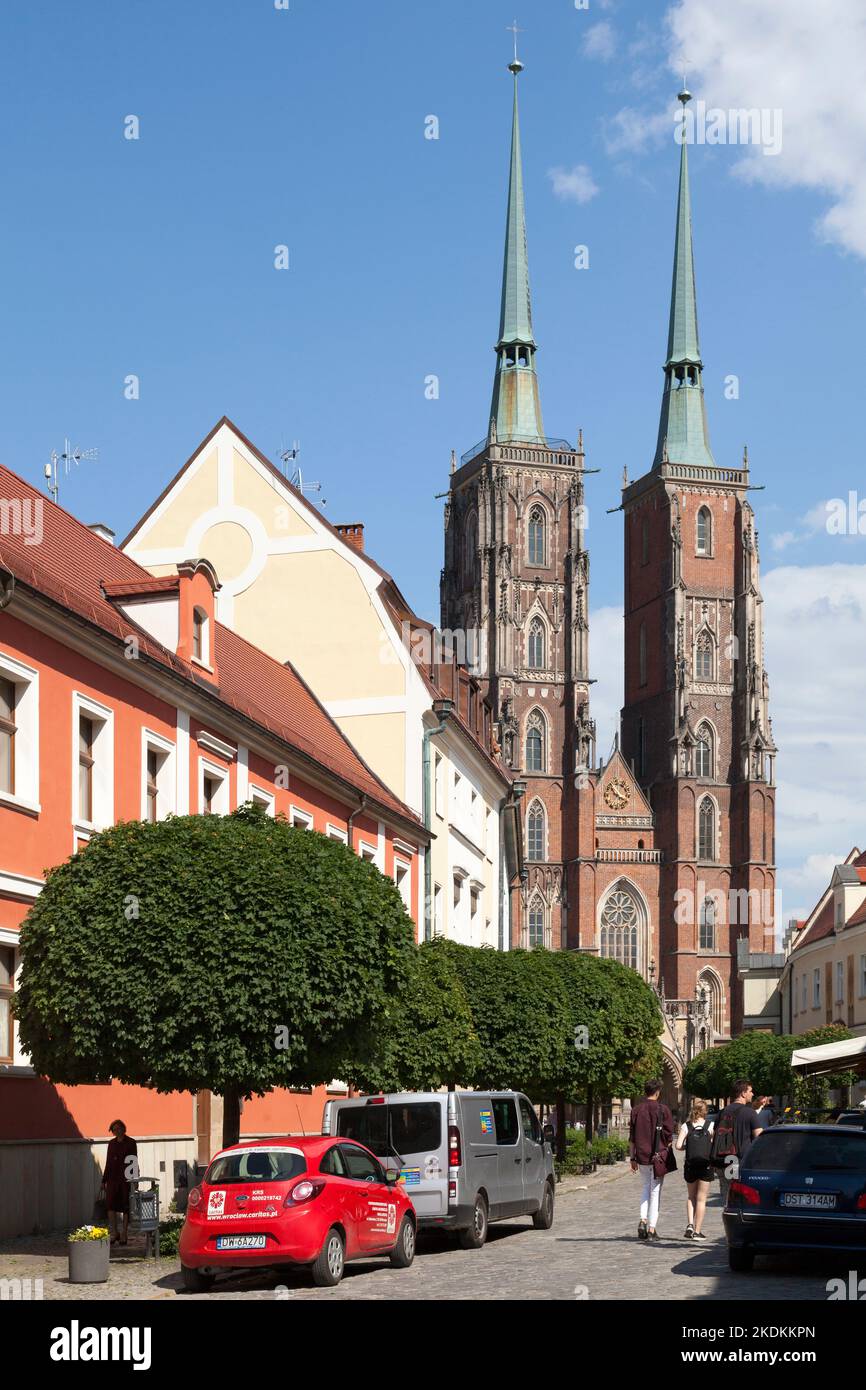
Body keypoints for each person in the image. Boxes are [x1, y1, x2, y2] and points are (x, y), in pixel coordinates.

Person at [629, 1079, 674, 1242]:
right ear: (657, 1092)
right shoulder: (663, 1110)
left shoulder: (636, 1110)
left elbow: (632, 1137)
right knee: (655, 1192)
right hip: (658, 1157)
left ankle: (643, 1219)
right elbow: (669, 1136)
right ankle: (651, 1229)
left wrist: (632, 1157)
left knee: (646, 1187)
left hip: (641, 1156)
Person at [711, 1079, 763, 1205]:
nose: (752, 1094)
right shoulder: (750, 1113)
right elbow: (759, 1137)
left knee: (726, 1198)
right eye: (750, 1091)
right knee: (741, 1199)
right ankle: (738, 1223)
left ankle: (728, 1221)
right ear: (743, 1093)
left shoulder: (722, 1112)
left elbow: (714, 1134)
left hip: (722, 1160)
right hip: (739, 1161)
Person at [675, 1099, 715, 1239]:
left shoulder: (686, 1126)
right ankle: (698, 1232)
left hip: (690, 1165)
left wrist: (689, 1148)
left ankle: (690, 1225)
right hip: (706, 1165)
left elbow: (678, 1146)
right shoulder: (711, 1126)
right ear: (705, 1112)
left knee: (691, 1196)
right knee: (701, 1199)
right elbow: (713, 1146)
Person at [100, 1119, 138, 1246]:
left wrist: (135, 1179)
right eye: (114, 1129)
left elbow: (134, 1161)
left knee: (125, 1206)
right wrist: (104, 1180)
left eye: (118, 1128)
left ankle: (124, 1233)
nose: (116, 1131)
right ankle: (114, 1232)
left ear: (123, 1128)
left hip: (126, 1179)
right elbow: (108, 1162)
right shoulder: (111, 1144)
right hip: (112, 1179)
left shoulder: (131, 1143)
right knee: (110, 1205)